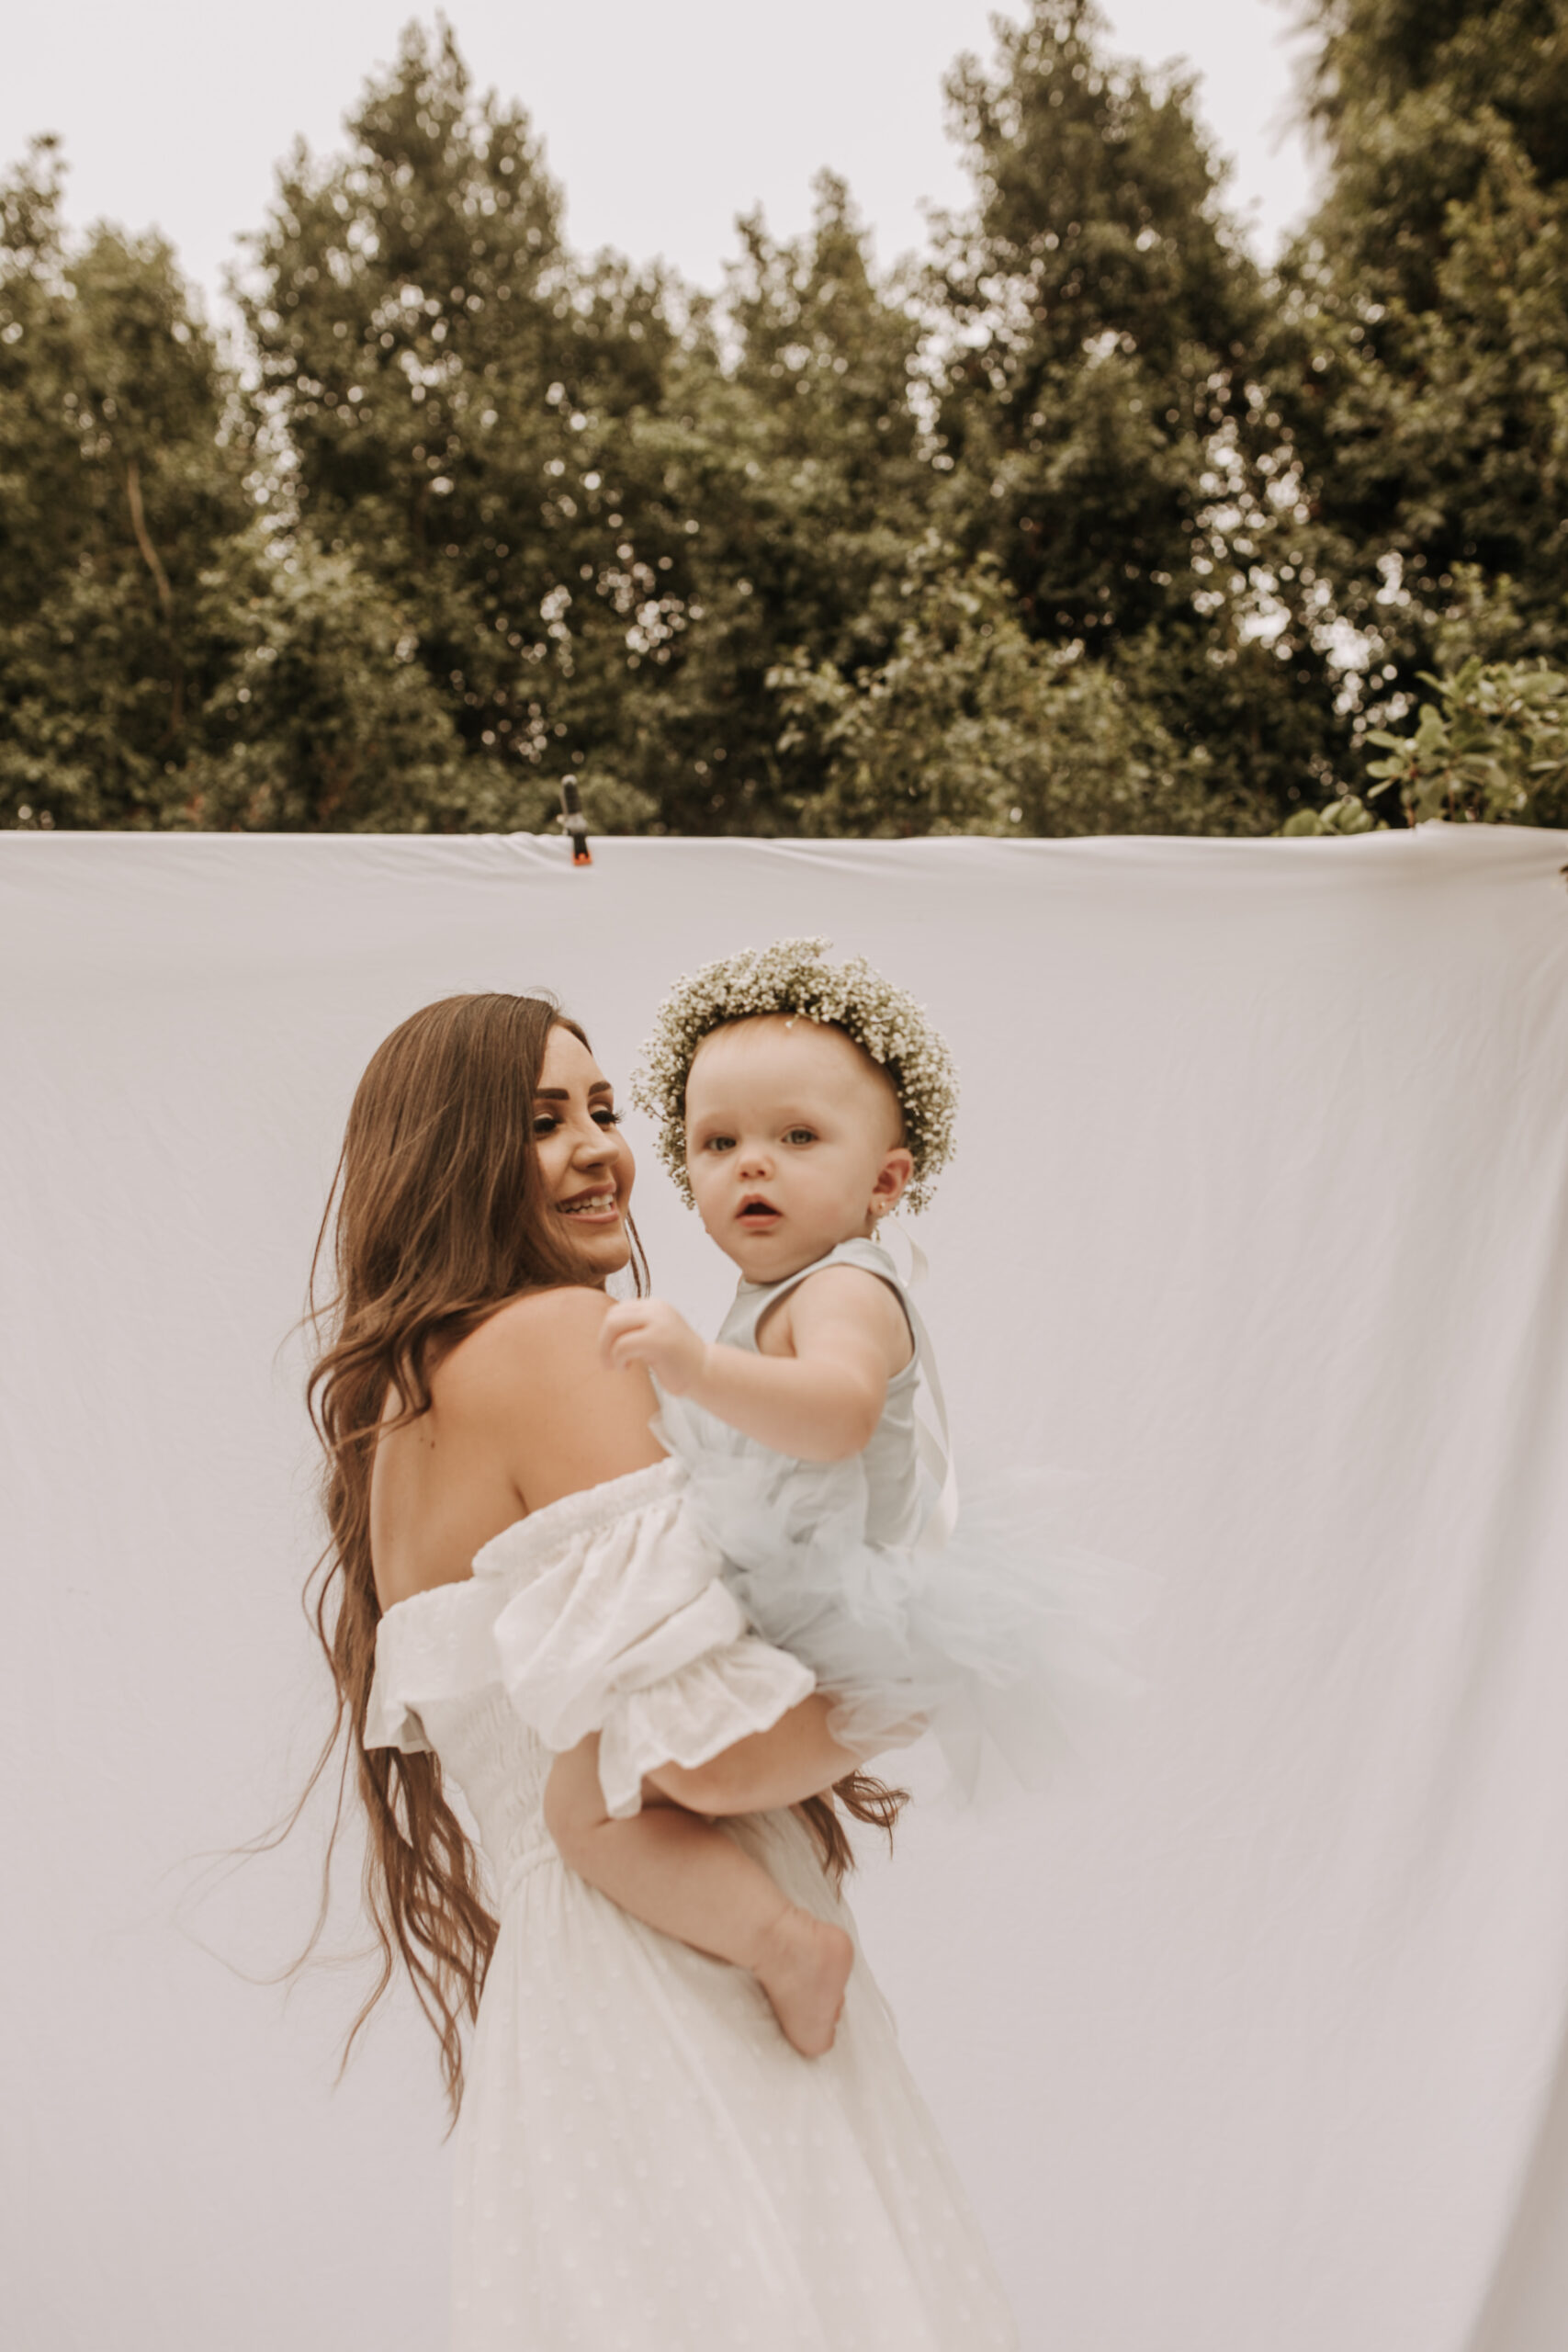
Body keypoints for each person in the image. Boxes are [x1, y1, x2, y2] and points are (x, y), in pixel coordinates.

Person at [309, 989, 1020, 2350]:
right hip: (683, 1969)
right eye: (537, 1123)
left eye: (603, 1109)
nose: (597, 1150)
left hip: (561, 2016)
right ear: (448, 1152)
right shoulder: (553, 1343)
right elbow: (684, 1732)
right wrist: (890, 1688)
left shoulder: (397, 1415)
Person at [517, 939, 1136, 2063]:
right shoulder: (779, 1290)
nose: (753, 1165)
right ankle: (770, 1938)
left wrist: (696, 1372)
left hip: (847, 1626)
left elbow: (839, 1410)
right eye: (718, 1143)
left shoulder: (846, 1285)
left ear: (884, 1182)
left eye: (798, 1138)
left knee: (587, 1800)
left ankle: (786, 1946)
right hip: (803, 1614)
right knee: (609, 1781)